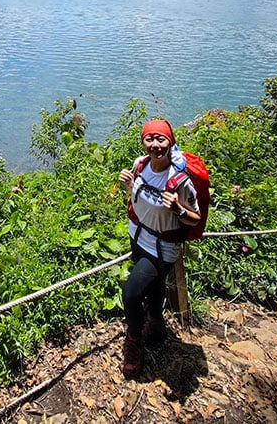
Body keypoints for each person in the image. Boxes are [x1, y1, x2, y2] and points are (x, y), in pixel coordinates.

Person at [117, 119, 201, 377]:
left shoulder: (180, 181)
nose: (155, 145)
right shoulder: (139, 165)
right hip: (139, 236)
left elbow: (195, 218)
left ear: (170, 141)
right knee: (153, 285)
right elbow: (139, 199)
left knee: (131, 293)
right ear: (143, 142)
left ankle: (133, 341)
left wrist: (178, 209)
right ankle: (156, 323)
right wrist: (129, 186)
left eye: (161, 139)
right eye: (149, 139)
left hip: (162, 246)